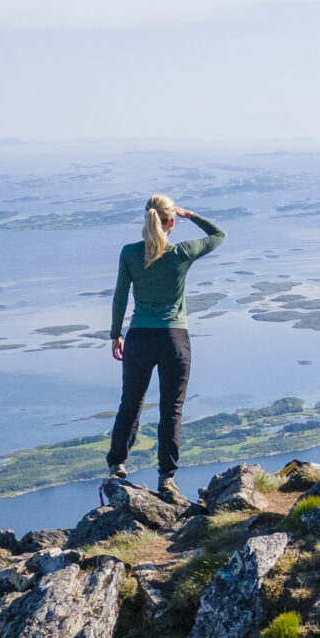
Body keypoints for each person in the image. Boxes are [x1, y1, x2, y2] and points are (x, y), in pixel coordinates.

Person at [106, 194, 226, 502]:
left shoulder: (130, 254)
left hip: (139, 338)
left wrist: (115, 334)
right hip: (174, 338)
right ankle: (166, 479)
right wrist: (190, 214)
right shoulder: (182, 253)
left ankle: (117, 465)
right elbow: (218, 234)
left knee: (130, 404)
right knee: (171, 411)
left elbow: (120, 297)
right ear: (171, 222)